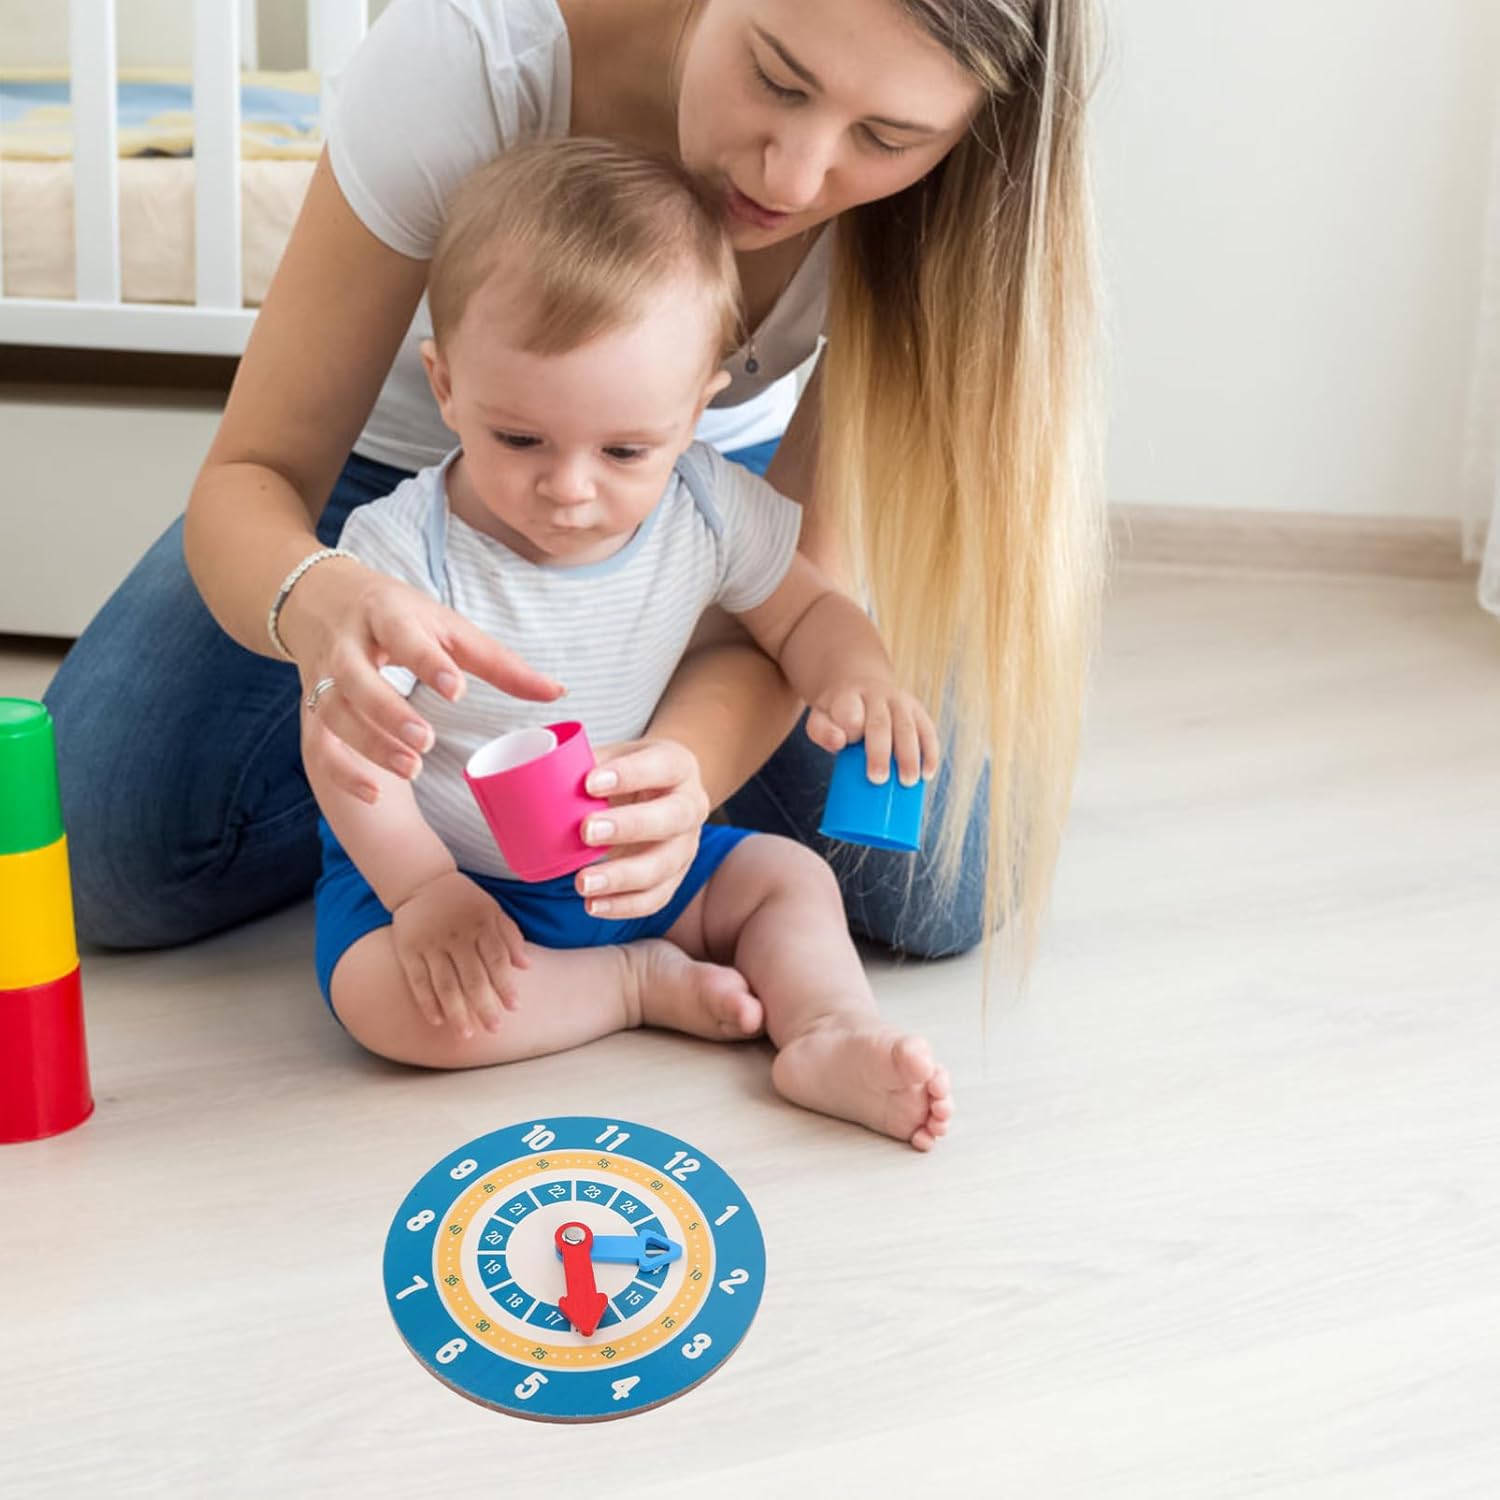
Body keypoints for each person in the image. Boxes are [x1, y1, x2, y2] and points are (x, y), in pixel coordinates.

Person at [45, 0, 1102, 976]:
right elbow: (255, 474)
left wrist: (684, 769)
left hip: (684, 497)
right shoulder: (473, 59)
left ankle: (580, 799)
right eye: (777, 79)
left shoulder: (949, 214)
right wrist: (320, 604)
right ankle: (425, 819)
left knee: (948, 882)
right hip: (382, 486)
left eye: (887, 138)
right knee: (99, 851)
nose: (791, 177)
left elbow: (798, 598)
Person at [312, 139, 951, 1149]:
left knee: (791, 880)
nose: (569, 489)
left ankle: (829, 1029)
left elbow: (804, 613)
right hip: (454, 880)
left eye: (623, 450)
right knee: (382, 1001)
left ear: (695, 412)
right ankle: (628, 986)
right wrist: (424, 891)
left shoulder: (707, 504)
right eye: (519, 439)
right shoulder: (400, 553)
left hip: (646, 865)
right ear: (446, 385)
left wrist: (859, 675)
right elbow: (343, 750)